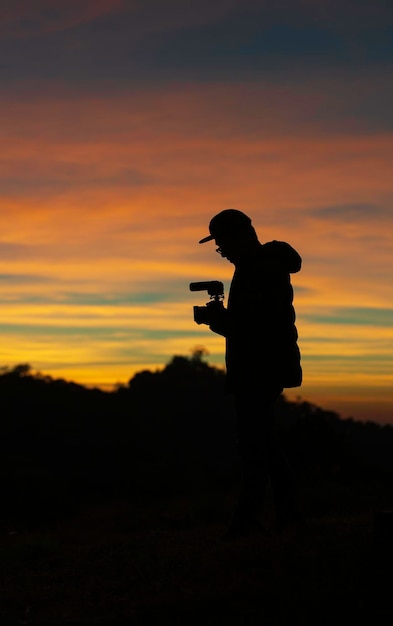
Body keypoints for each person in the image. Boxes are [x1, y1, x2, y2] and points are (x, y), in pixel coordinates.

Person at [196, 208, 303, 539]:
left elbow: (257, 328)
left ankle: (246, 522)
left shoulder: (260, 269)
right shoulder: (257, 268)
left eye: (222, 243)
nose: (222, 251)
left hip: (260, 370)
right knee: (264, 445)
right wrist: (223, 320)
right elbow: (253, 326)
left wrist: (218, 320)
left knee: (254, 446)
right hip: (260, 368)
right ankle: (283, 518)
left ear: (239, 236)